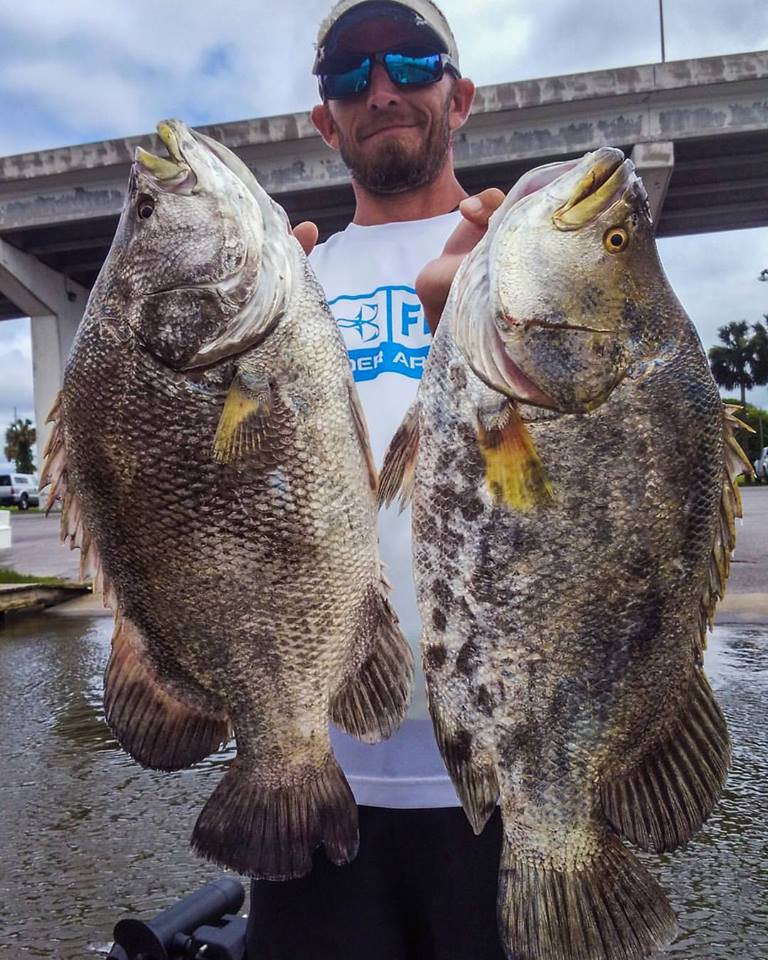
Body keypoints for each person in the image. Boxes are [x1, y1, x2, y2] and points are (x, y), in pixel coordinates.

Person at [247, 2, 506, 958]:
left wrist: (496, 313)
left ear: (460, 94)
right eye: (349, 75)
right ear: (326, 122)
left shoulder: (522, 261)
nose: (382, 88)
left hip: (507, 763)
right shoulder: (282, 288)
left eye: (411, 60)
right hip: (313, 772)